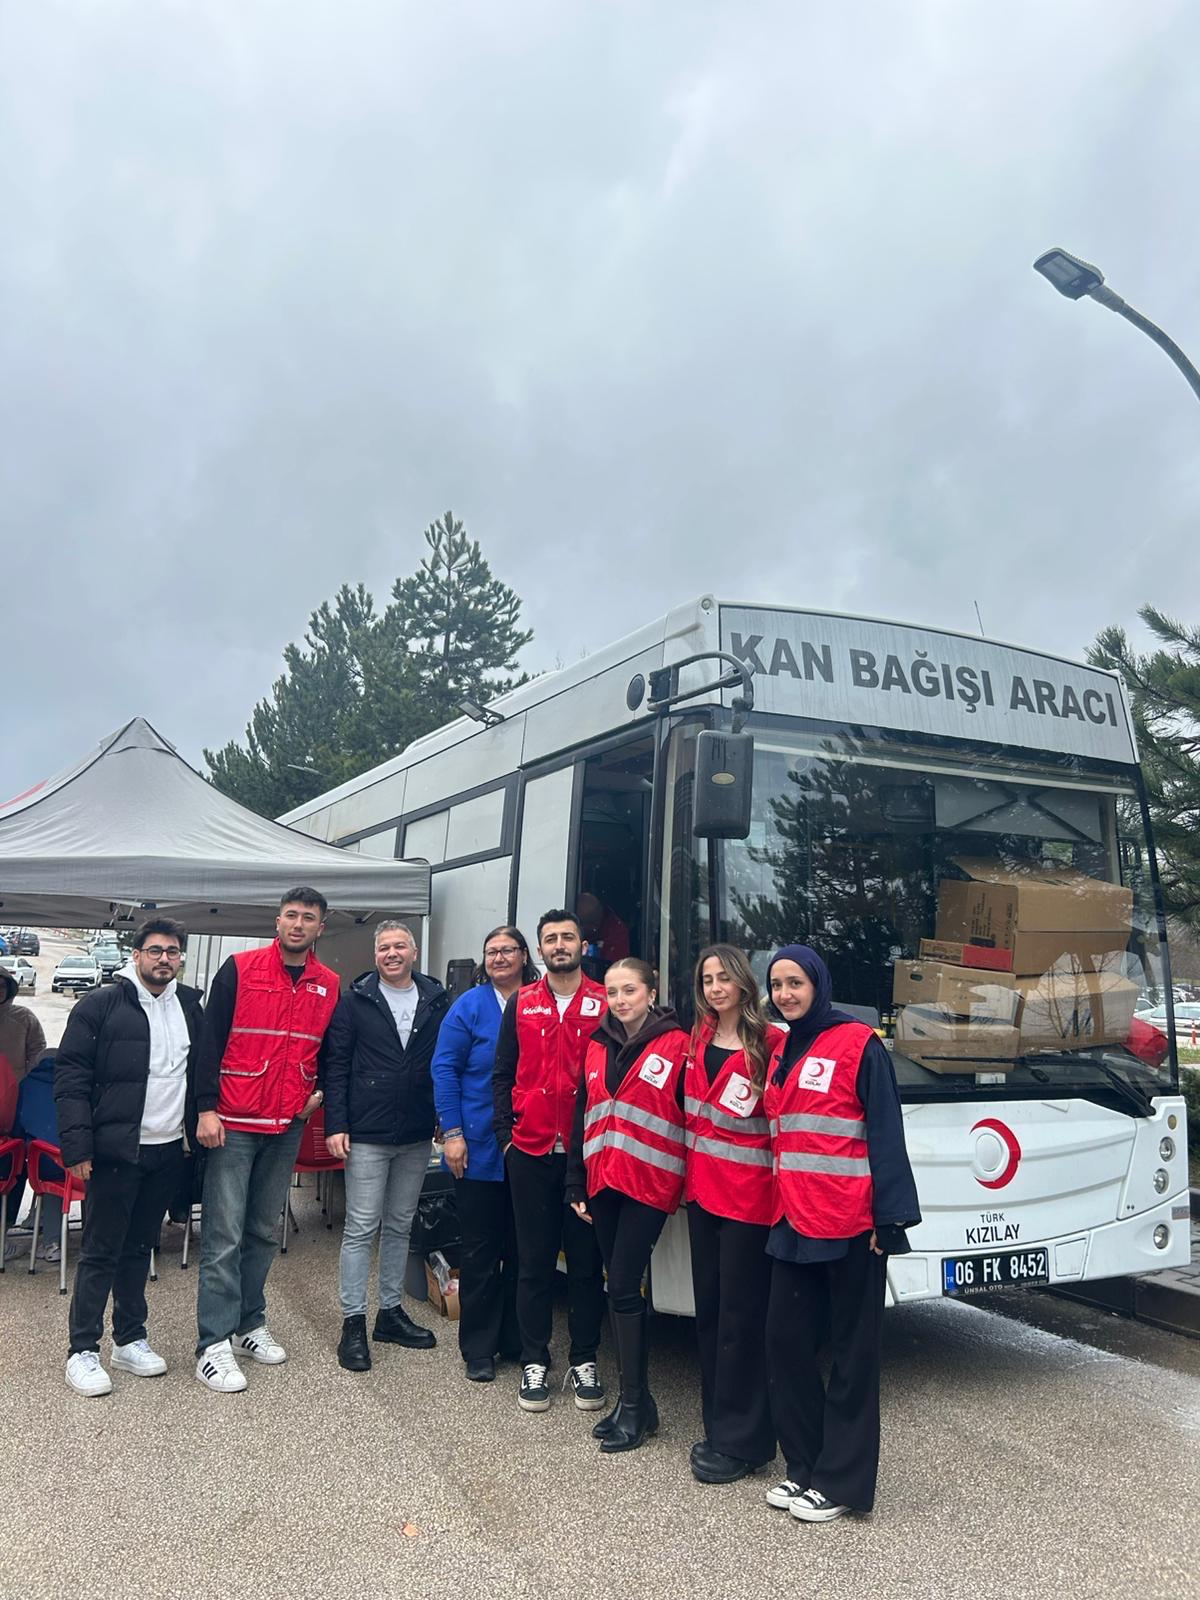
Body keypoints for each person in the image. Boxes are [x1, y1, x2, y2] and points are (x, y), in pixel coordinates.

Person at [762, 943, 920, 1523]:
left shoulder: (858, 1043)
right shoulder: (782, 1048)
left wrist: (890, 1219)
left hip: (853, 1224)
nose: (785, 994)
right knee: (784, 1344)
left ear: (818, 984)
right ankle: (805, 1465)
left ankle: (840, 1482)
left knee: (854, 1357)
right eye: (777, 984)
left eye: (795, 983)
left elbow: (885, 1129)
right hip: (792, 1218)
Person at [193, 887, 338, 1392]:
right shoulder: (240, 968)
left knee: (261, 1232)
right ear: (277, 921)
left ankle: (248, 1324)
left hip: (286, 1125)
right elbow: (209, 1041)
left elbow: (332, 1051)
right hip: (233, 1122)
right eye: (291, 915)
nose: (298, 924)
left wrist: (319, 1093)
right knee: (223, 1236)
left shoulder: (329, 983)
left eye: (308, 918)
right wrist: (205, 1108)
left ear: (321, 927)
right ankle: (212, 1343)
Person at [53, 919, 203, 1397]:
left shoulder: (189, 1006)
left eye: (172, 951)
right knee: (101, 1250)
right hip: (116, 1151)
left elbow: (200, 1073)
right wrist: (78, 1147)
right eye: (155, 950)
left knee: (141, 1248)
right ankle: (82, 1350)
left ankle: (130, 1339)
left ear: (180, 958)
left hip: (167, 1149)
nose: (164, 959)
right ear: (136, 955)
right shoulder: (100, 1005)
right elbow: (70, 1078)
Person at [567, 957, 690, 1453]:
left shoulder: (678, 1044)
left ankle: (635, 1404)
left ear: (651, 992)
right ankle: (636, 1404)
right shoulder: (597, 1043)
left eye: (629, 990)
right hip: (603, 1182)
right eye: (612, 992)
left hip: (650, 1183)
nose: (619, 1000)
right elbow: (583, 1111)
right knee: (617, 1288)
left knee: (621, 1285)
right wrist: (575, 1181)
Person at [492, 909, 607, 1414]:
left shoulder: (606, 1001)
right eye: (551, 939)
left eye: (567, 937)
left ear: (583, 945)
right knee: (533, 1263)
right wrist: (506, 1139)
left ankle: (585, 1359)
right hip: (532, 1152)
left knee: (585, 1265)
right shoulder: (522, 1002)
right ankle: (535, 1360)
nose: (559, 945)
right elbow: (502, 1073)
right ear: (539, 951)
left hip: (587, 1156)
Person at [324, 921, 448, 1372]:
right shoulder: (356, 1000)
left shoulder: (436, 1000)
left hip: (415, 1132)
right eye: (383, 948)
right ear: (375, 955)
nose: (391, 954)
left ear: (414, 952)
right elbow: (336, 1065)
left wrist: (443, 1118)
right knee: (361, 1228)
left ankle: (390, 1313)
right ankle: (353, 1322)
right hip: (366, 1133)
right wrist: (336, 1123)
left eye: (399, 946)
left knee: (399, 1225)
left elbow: (444, 1063)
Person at [685, 944, 784, 1484]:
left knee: (742, 1320)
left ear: (744, 982)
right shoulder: (699, 1037)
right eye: (707, 980)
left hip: (749, 1199)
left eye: (724, 978)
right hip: (703, 1194)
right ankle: (718, 1428)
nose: (715, 987)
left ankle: (746, 1442)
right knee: (711, 1313)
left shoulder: (771, 1043)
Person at [431, 924, 536, 1382]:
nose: (498, 958)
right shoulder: (469, 1006)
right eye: (491, 951)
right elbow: (444, 1069)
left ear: (524, 955)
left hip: (530, 1146)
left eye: (507, 950)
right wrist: (453, 1133)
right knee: (479, 1251)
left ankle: (517, 1341)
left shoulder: (538, 1002)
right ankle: (478, 1348)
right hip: (476, 1146)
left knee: (524, 1251)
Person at [576, 892, 630, 979]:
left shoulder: (616, 931)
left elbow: (616, 967)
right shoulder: (572, 931)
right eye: (583, 923)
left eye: (594, 923)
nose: (592, 927)